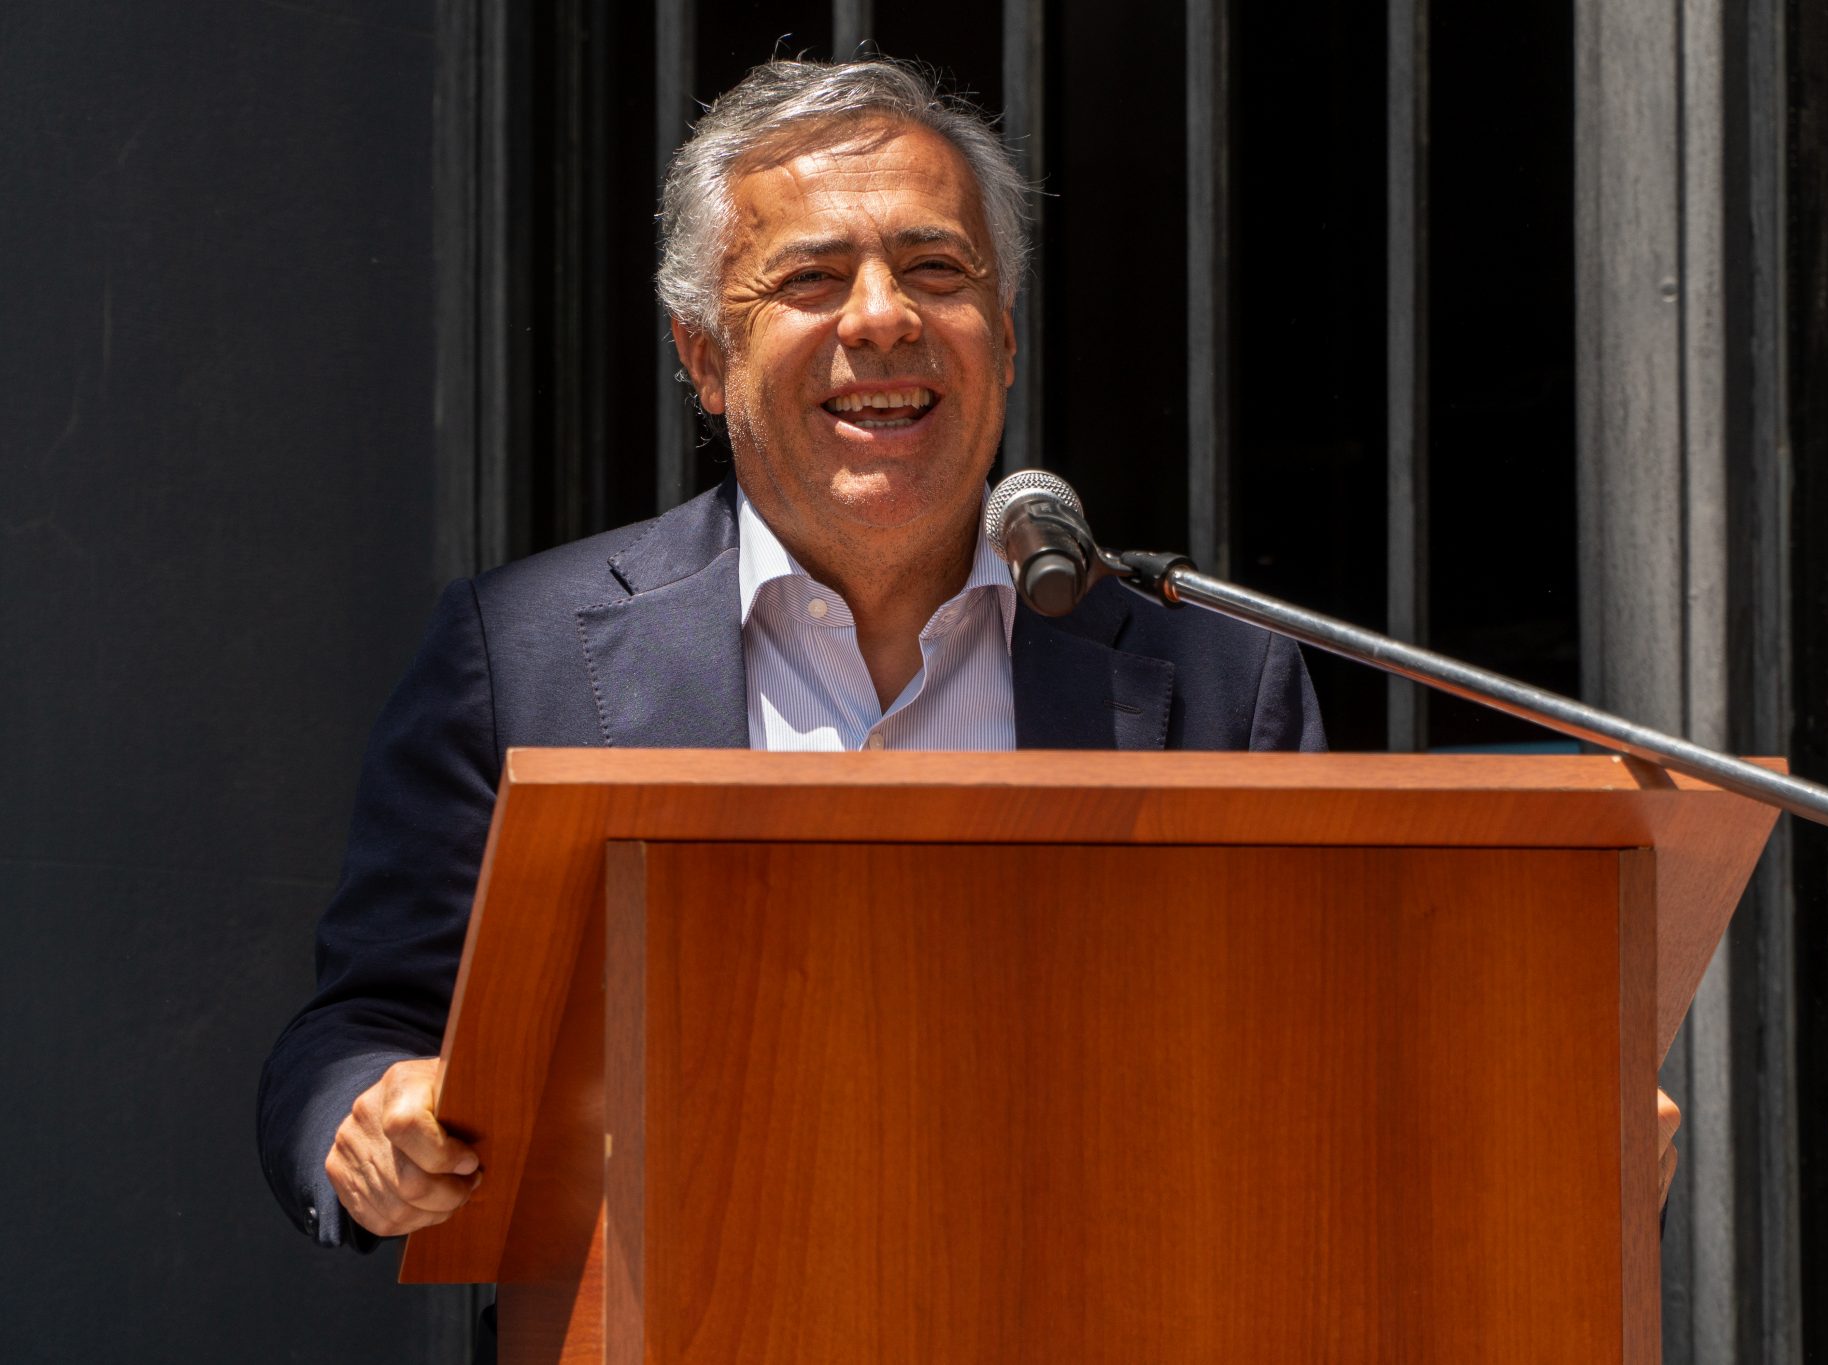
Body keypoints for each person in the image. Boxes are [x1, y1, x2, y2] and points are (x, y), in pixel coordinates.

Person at [258, 55, 1678, 1257]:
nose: (883, 316)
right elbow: (357, 1031)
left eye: (936, 269)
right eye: (812, 277)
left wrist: (1535, 1120)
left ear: (999, 337)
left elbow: (1324, 1059)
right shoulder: (520, 652)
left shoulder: (1213, 676)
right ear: (704, 358)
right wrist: (368, 1123)